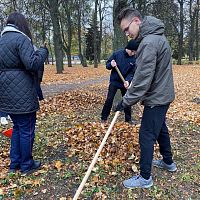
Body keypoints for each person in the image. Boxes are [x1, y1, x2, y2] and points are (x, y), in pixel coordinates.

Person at [116, 8, 177, 188]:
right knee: (160, 129)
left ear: (136, 21)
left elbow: (143, 80)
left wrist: (125, 101)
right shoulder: (156, 37)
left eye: (127, 29)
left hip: (157, 97)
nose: (127, 34)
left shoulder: (149, 42)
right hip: (162, 94)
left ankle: (145, 178)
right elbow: (147, 73)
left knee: (146, 135)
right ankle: (168, 162)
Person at [0, 12, 48, 175]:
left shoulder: (1, 40)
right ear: (21, 24)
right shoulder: (21, 39)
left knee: (18, 128)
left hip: (6, 91)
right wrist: (43, 52)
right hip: (22, 91)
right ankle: (27, 165)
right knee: (26, 129)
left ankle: (14, 164)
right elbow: (32, 63)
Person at [101, 39, 139, 124]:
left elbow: (132, 72)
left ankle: (128, 119)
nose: (133, 54)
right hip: (114, 81)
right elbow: (107, 66)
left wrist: (128, 81)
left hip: (124, 83)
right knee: (109, 99)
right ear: (129, 49)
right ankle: (104, 118)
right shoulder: (117, 54)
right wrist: (111, 64)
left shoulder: (133, 59)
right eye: (133, 52)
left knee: (127, 101)